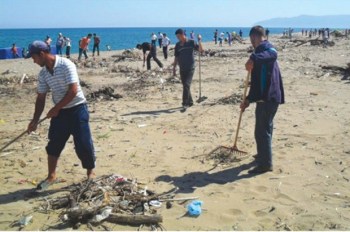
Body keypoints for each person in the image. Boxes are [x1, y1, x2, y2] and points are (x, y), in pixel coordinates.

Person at [26, 40, 96, 190]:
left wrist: (56, 108)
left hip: (78, 109)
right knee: (54, 144)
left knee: (83, 144)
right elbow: (41, 97)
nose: (33, 61)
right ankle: (51, 176)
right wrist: (35, 120)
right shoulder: (43, 73)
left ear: (42, 54)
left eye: (34, 57)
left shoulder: (66, 65)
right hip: (61, 113)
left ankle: (90, 173)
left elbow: (73, 90)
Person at [241, 26, 285, 174]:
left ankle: (266, 164)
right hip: (267, 97)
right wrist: (248, 99)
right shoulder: (259, 52)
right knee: (266, 127)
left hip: (269, 98)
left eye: (253, 39)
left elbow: (273, 54)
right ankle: (263, 155)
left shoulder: (267, 48)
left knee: (261, 130)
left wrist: (253, 58)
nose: (252, 42)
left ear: (258, 37)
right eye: (251, 39)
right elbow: (258, 81)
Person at [173, 29, 203, 110]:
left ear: (183, 34)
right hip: (182, 68)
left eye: (178, 36)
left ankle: (185, 103)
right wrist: (174, 68)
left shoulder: (191, 42)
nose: (178, 38)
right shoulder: (178, 45)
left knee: (186, 84)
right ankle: (190, 102)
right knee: (185, 86)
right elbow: (176, 57)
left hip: (190, 67)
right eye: (177, 37)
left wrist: (199, 40)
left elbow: (201, 50)